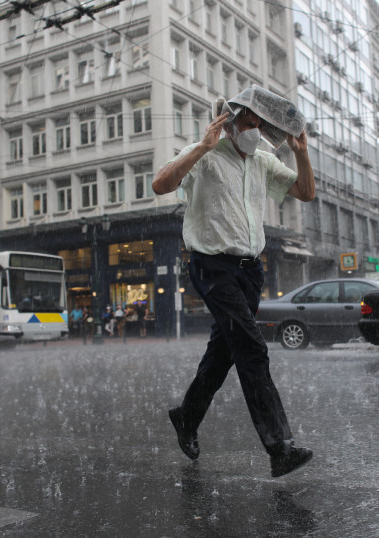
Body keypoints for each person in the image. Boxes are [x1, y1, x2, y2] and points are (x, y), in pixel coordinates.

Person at [152, 87, 316, 478]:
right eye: (248, 124)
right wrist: (201, 147)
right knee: (251, 347)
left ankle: (187, 417)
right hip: (212, 266)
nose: (254, 132)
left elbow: (306, 193)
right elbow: (161, 184)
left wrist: (301, 151)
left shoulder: (263, 161)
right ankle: (280, 447)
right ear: (229, 124)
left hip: (249, 270)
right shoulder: (205, 155)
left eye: (259, 126)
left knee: (223, 352)